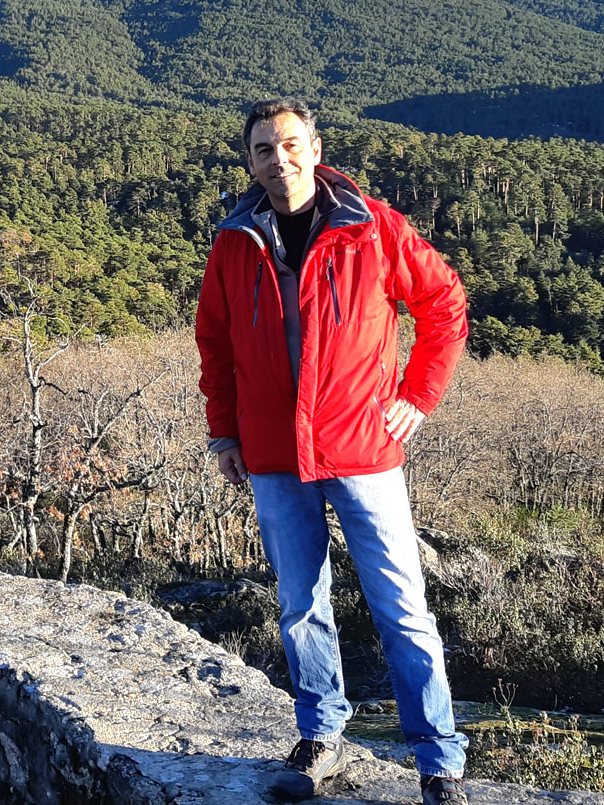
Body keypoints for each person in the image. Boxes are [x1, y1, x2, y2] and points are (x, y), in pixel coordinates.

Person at [194, 98, 470, 804]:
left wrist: (418, 394)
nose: (278, 160)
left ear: (316, 147)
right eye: (263, 150)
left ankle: (440, 764)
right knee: (299, 606)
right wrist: (224, 431)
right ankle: (320, 738)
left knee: (402, 609)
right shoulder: (234, 240)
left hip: (364, 447)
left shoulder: (373, 227)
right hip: (274, 454)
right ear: (249, 161)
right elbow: (216, 345)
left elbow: (443, 305)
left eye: (290, 145)